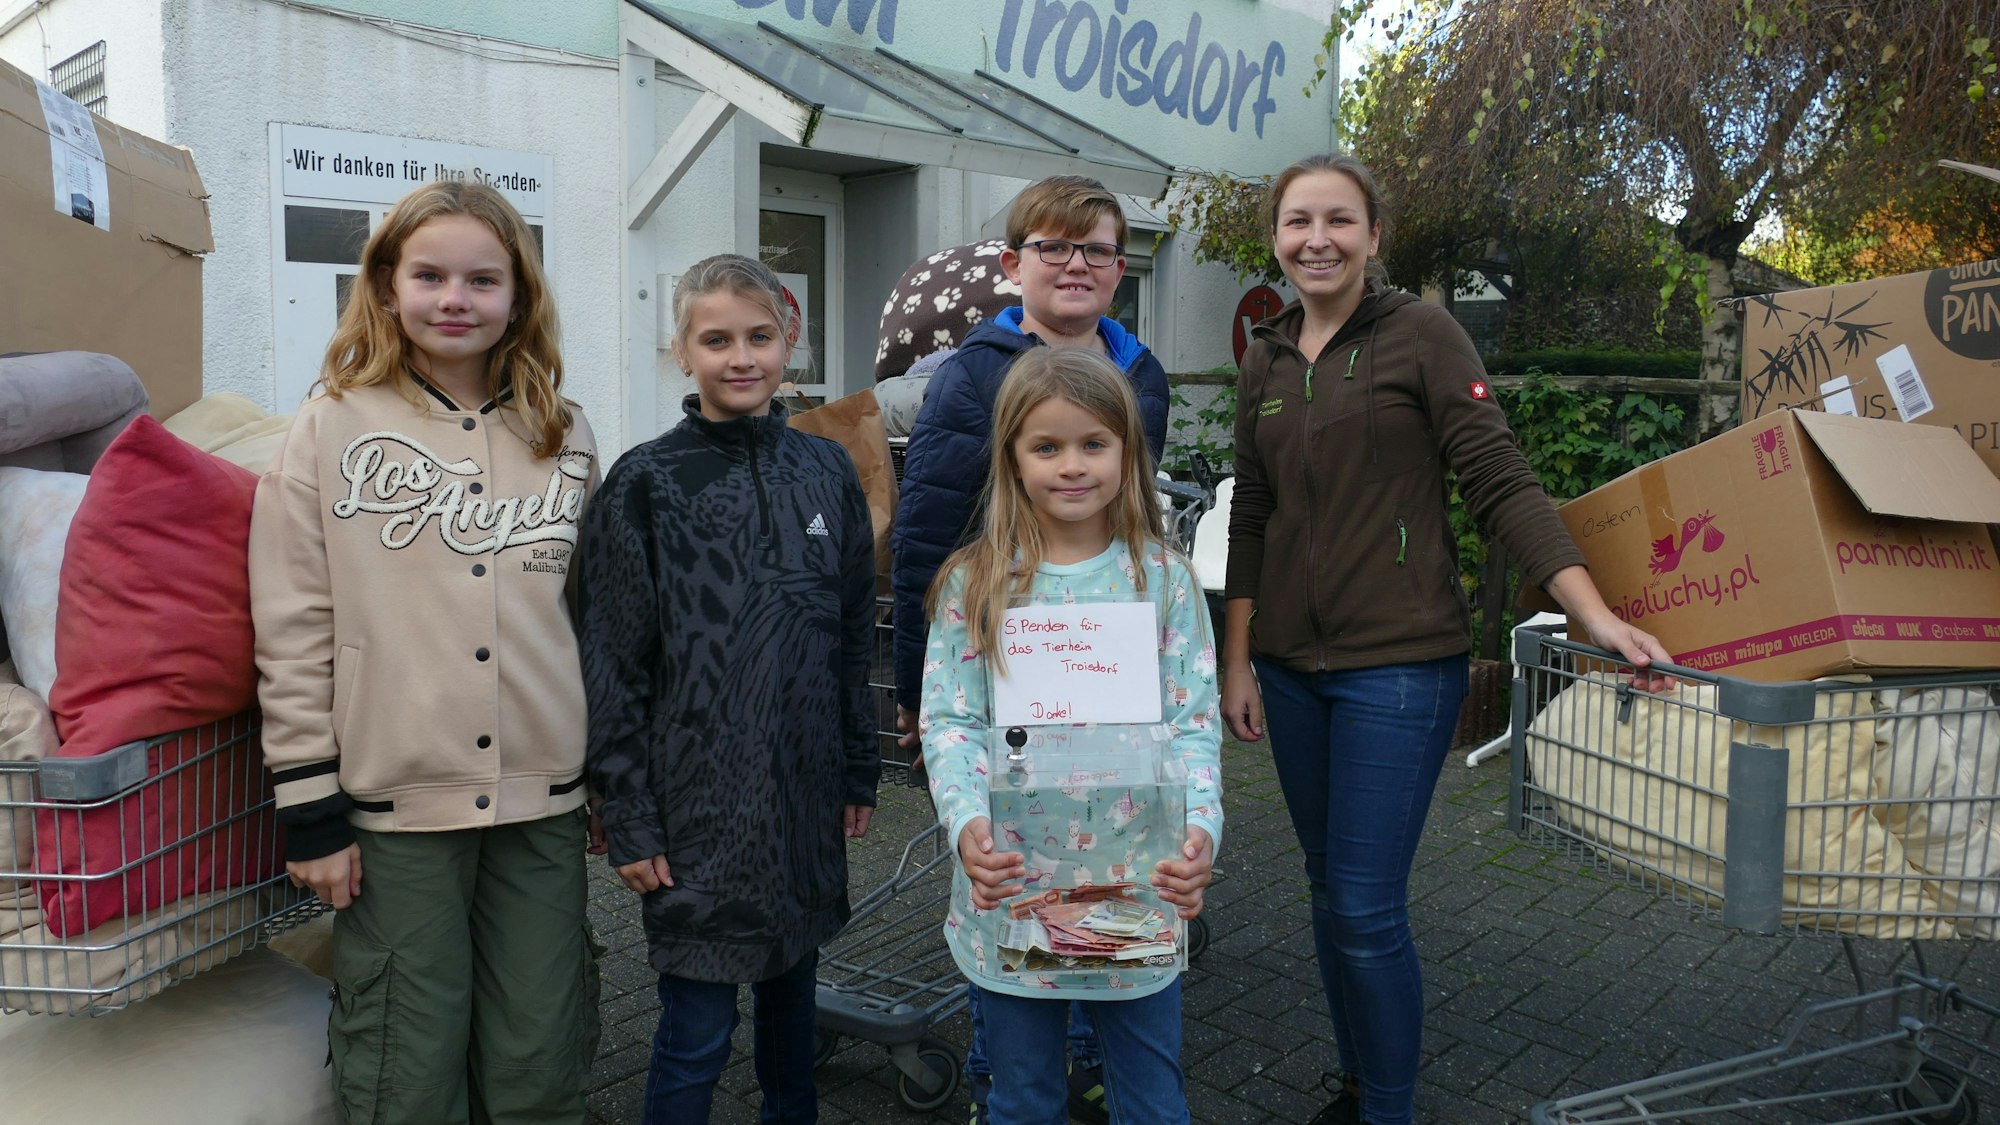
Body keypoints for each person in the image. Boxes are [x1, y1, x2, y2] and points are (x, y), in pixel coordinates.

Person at [1221, 153, 1672, 1125]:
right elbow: (1248, 515)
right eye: (1297, 221)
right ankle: (1353, 1085)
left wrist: (1589, 613)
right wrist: (1235, 659)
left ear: (1373, 236)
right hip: (1287, 671)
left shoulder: (1422, 335)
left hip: (1398, 666)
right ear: (1275, 236)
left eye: (1338, 220)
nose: (1317, 239)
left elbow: (1499, 480)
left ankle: (1386, 1109)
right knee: (1322, 890)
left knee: (1363, 905)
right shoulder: (1261, 356)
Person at [250, 180, 600, 1125]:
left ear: (519, 295)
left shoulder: (563, 437)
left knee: (541, 1047)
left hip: (544, 800)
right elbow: (292, 619)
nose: (457, 297)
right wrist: (307, 803)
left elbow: (591, 620)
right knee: (407, 1055)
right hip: (393, 807)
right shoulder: (329, 427)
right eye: (432, 274)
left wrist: (609, 773)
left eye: (484, 278)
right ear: (388, 285)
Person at [890, 176, 1170, 1124]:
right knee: (1015, 889)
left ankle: (1086, 1055)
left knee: (1092, 877)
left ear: (1120, 270)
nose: (1076, 264)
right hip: (999, 673)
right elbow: (927, 529)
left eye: (1095, 249)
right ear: (1014, 266)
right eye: (1054, 247)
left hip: (1105, 696)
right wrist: (911, 688)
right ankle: (1002, 1076)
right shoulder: (970, 375)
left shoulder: (1145, 373)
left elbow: (1135, 516)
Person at [576, 253, 880, 1125]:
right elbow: (613, 659)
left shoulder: (826, 471)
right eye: (717, 340)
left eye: (759, 336)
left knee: (793, 1003)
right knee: (697, 1028)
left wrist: (859, 767)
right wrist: (627, 813)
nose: (740, 357)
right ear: (682, 351)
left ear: (790, 342)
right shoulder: (647, 482)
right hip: (698, 805)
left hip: (804, 792)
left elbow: (854, 631)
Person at [921, 347, 1221, 1125]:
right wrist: (967, 829)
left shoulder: (1164, 578)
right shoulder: (976, 581)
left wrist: (1199, 836)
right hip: (1015, 887)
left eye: (1093, 443)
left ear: (1127, 450)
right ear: (1012, 458)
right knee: (1022, 1098)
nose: (1072, 465)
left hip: (1139, 891)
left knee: (1151, 1100)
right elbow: (950, 720)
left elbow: (1192, 724)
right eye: (1046, 446)